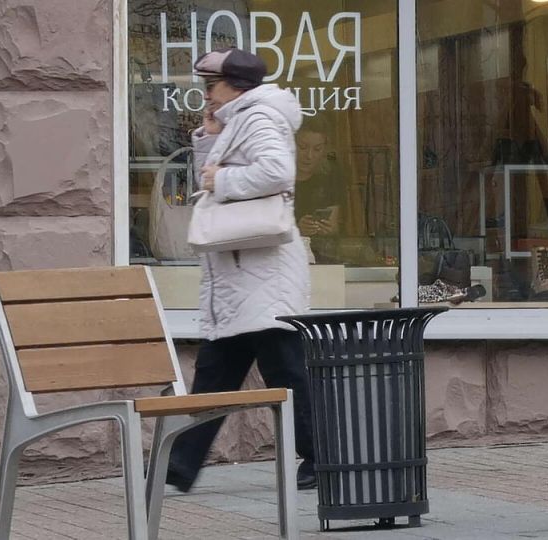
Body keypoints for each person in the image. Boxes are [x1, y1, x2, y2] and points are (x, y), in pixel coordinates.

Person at [166, 47, 317, 492]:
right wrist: (210, 137)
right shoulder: (238, 119)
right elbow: (210, 177)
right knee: (216, 374)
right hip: (241, 273)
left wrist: (222, 179)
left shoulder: (259, 117)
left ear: (236, 85)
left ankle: (323, 458)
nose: (206, 94)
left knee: (284, 374)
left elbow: (276, 172)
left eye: (210, 85)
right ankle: (179, 467)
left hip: (263, 274)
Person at [294, 118, 347, 263]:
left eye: (317, 149)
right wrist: (297, 229)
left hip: (323, 256)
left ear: (324, 150)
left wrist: (327, 228)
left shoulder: (331, 175)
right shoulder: (279, 175)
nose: (309, 156)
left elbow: (334, 226)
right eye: (302, 147)